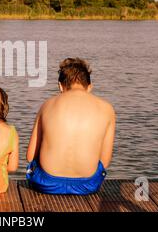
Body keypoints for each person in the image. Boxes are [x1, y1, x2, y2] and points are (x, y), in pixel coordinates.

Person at [26, 58, 115, 195]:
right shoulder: (107, 108)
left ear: (60, 86)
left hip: (47, 184)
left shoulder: (47, 105)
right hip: (87, 185)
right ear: (90, 87)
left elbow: (30, 156)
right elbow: (105, 161)